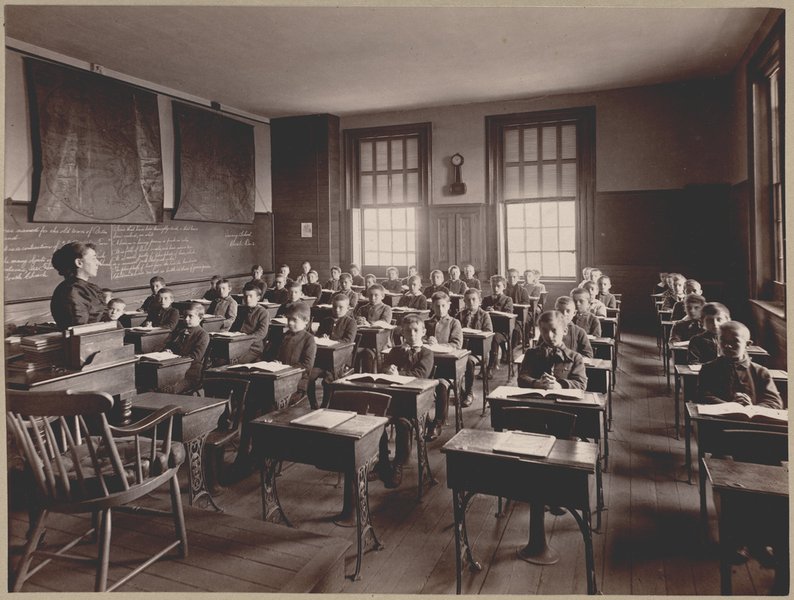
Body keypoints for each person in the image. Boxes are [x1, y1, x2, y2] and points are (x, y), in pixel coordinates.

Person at [377, 315, 434, 489]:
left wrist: (398, 374)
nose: (412, 334)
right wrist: (388, 369)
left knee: (402, 423)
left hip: (415, 401)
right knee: (376, 421)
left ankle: (398, 464)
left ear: (423, 332)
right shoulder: (395, 351)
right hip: (394, 398)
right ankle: (383, 462)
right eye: (408, 331)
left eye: (416, 330)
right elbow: (383, 367)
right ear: (402, 333)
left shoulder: (426, 353)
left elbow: (420, 375)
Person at [697, 321, 782, 408]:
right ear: (718, 340)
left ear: (747, 344)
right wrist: (730, 406)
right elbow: (702, 396)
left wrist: (752, 408)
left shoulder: (760, 372)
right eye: (723, 340)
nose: (728, 346)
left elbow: (774, 402)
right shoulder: (709, 369)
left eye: (735, 341)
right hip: (719, 415)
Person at [424, 291, 463, 440]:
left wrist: (439, 345)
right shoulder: (427, 322)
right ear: (432, 306)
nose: (440, 309)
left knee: (440, 385)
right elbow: (420, 338)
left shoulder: (454, 322)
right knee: (420, 385)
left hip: (446, 366)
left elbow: (456, 344)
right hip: (428, 364)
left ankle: (438, 422)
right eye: (437, 306)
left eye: (443, 306)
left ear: (448, 306)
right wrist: (426, 341)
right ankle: (424, 419)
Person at [308, 293, 358, 409]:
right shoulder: (326, 320)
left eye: (341, 307)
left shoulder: (351, 322)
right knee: (308, 376)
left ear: (348, 308)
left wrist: (331, 341)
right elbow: (318, 337)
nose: (337, 310)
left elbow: (348, 341)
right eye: (334, 307)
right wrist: (322, 338)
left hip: (341, 360)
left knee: (328, 380)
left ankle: (325, 405)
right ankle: (313, 404)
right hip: (323, 360)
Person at [517, 310, 587, 390]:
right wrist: (536, 383)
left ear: (565, 331)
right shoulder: (531, 354)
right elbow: (522, 378)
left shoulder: (575, 358)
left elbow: (581, 384)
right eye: (544, 331)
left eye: (554, 330)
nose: (549, 336)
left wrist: (560, 385)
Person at [49, 242, 108, 330]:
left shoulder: (87, 288)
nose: (99, 263)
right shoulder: (72, 291)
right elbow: (80, 330)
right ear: (79, 263)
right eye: (93, 258)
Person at [163, 302, 210, 394]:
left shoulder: (202, 335)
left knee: (168, 389)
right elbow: (169, 345)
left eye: (190, 316)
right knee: (155, 384)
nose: (186, 319)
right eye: (184, 316)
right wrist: (167, 350)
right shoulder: (179, 330)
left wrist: (177, 358)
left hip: (190, 373)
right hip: (174, 369)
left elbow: (195, 357)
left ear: (200, 318)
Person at [457, 287, 493, 406]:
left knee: (468, 361)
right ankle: (459, 391)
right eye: (468, 300)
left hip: (478, 351)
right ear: (464, 301)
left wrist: (474, 334)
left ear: (479, 300)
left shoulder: (484, 315)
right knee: (453, 361)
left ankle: (469, 392)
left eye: (474, 299)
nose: (471, 302)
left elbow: (488, 333)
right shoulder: (459, 315)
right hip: (461, 349)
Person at [277, 302, 317, 407]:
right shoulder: (283, 336)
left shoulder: (309, 339)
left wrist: (286, 369)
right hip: (279, 377)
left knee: (277, 400)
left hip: (297, 381)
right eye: (288, 319)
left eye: (294, 320)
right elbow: (272, 355)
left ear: (306, 321)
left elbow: (307, 365)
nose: (290, 323)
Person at [354, 283, 393, 372]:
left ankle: (370, 376)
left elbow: (384, 322)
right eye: (370, 295)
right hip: (363, 340)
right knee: (352, 351)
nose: (373, 298)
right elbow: (355, 319)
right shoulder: (362, 308)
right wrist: (358, 320)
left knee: (367, 354)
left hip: (381, 342)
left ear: (382, 296)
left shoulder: (386, 308)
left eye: (376, 295)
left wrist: (368, 323)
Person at [230, 283, 271, 363]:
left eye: (251, 296)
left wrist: (245, 338)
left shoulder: (263, 312)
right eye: (245, 296)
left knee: (235, 361)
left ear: (258, 298)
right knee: (221, 358)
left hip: (253, 347)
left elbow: (261, 333)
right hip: (237, 343)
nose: (248, 299)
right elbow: (234, 327)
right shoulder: (242, 309)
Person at [482, 275, 513, 369]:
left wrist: (494, 311)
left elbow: (508, 314)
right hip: (488, 329)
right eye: (493, 286)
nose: (495, 288)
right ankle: (483, 365)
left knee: (494, 338)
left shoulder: (508, 299)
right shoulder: (486, 299)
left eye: (498, 286)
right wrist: (485, 311)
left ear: (504, 286)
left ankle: (490, 366)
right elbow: (480, 313)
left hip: (502, 330)